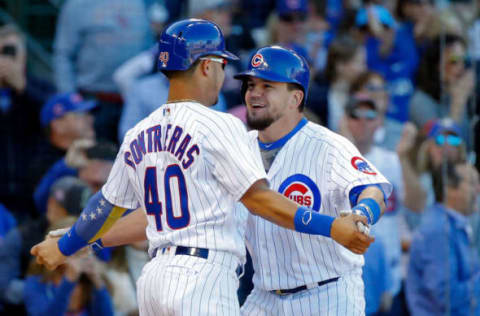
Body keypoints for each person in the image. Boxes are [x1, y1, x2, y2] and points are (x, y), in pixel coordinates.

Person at [31, 19, 373, 316]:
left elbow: (106, 206)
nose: (226, 76)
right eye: (222, 65)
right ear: (206, 66)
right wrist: (333, 227)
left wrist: (69, 245)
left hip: (154, 278)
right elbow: (260, 201)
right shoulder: (218, 125)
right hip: (202, 275)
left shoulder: (139, 132)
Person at [234, 46, 391, 315]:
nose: (254, 93)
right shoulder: (238, 148)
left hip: (326, 294)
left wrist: (361, 214)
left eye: (267, 86)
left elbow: (372, 189)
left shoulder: (327, 145)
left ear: (295, 98)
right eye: (251, 85)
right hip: (264, 295)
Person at [406, 162, 480, 316]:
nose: (478, 190)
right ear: (449, 189)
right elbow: (447, 298)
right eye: (473, 183)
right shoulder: (438, 230)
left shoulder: (452, 224)